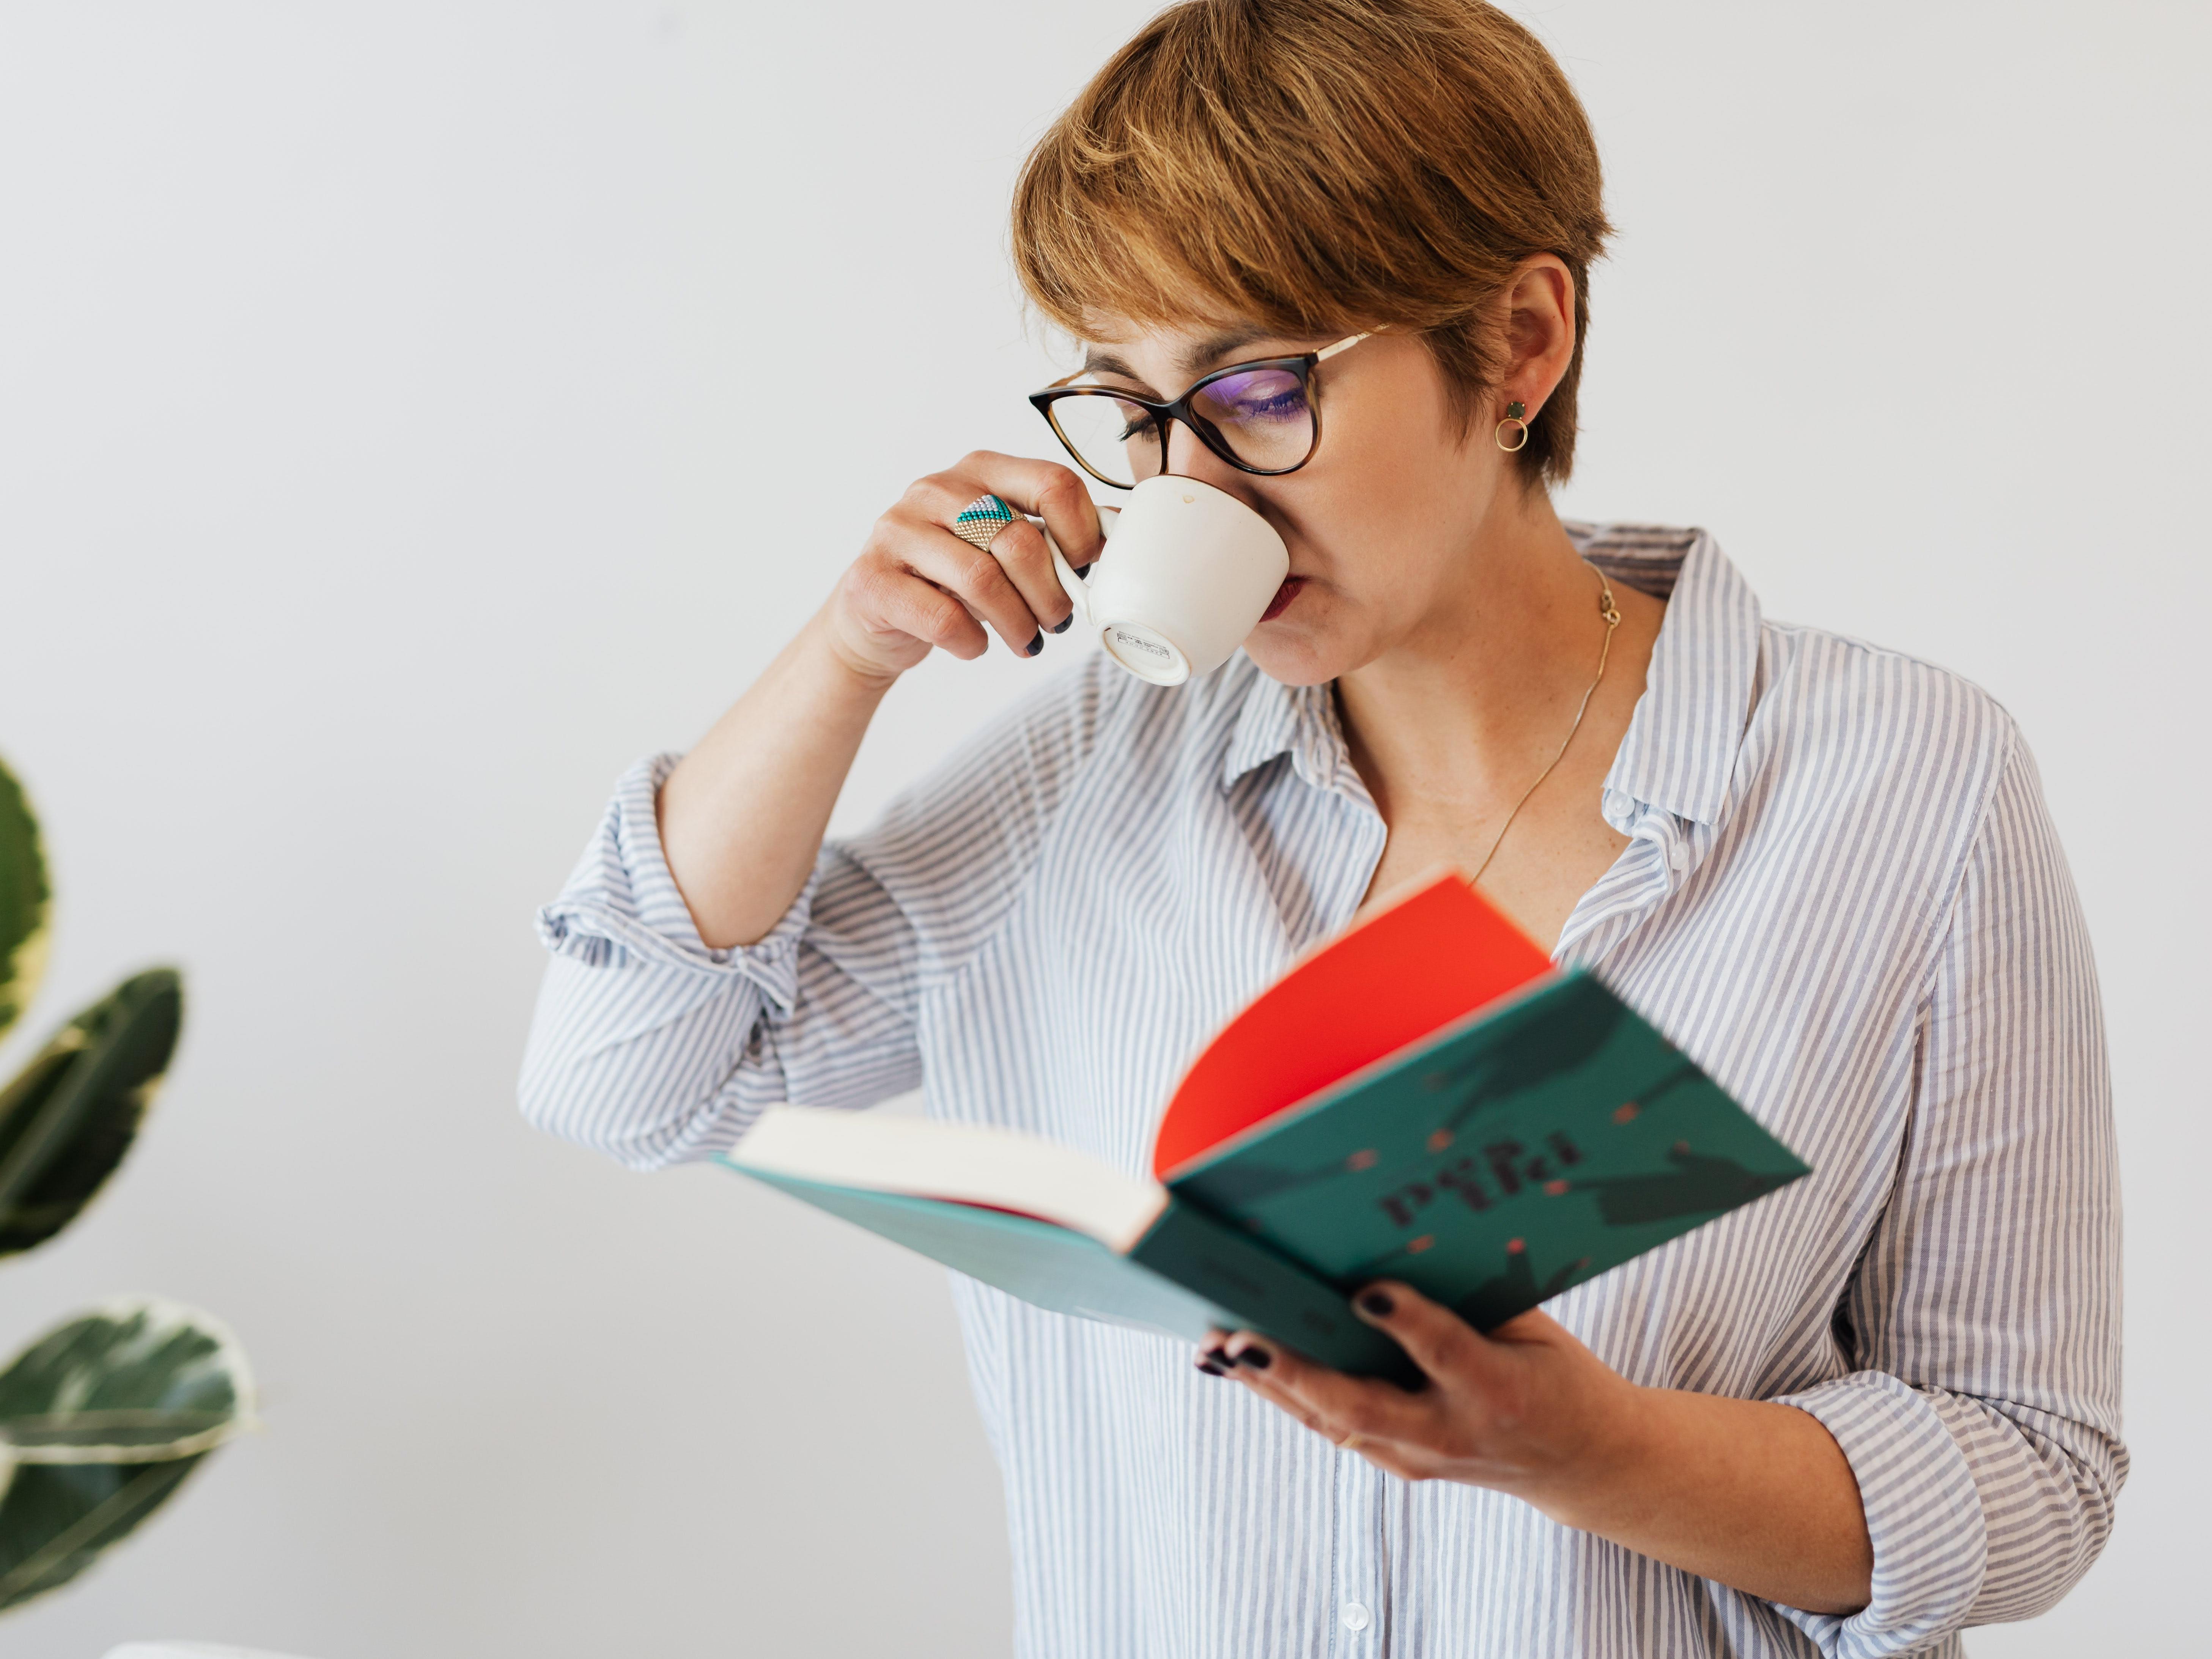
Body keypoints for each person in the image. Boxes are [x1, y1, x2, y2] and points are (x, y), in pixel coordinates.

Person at [517, 2, 2124, 1654]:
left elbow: (2034, 1466)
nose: (1185, 498)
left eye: (1258, 388)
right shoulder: (1102, 763)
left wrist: (1593, 1449)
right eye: (1129, 409)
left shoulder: (1903, 786)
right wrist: (849, 649)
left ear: (1519, 344)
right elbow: (627, 1075)